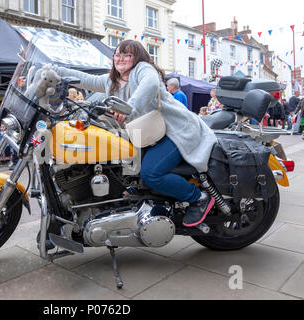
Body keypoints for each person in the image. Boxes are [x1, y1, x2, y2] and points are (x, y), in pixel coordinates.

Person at [51, 40, 217, 227]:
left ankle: (198, 197)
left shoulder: (143, 69)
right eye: (117, 54)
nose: (120, 58)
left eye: (126, 55)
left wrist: (131, 107)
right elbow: (85, 79)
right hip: (150, 134)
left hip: (177, 130)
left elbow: (150, 84)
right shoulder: (112, 81)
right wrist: (53, 70)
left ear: (137, 57)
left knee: (151, 174)